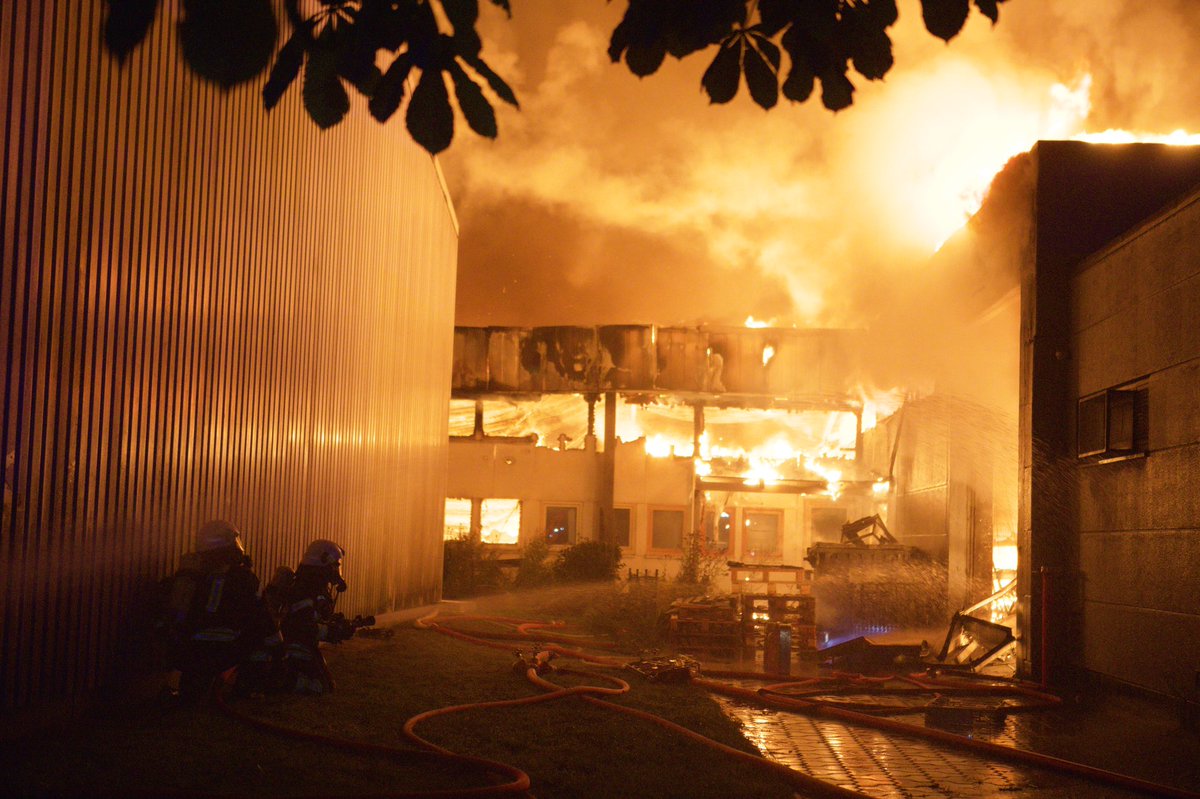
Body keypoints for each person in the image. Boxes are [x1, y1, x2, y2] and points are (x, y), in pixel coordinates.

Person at [162, 520, 280, 700]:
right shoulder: (244, 578)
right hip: (227, 651)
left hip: (191, 653)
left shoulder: (192, 576)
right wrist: (279, 648)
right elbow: (262, 617)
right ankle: (246, 689)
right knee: (261, 648)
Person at [280, 539, 356, 694]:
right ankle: (280, 681)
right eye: (335, 565)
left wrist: (335, 623)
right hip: (295, 646)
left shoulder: (312, 583)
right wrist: (332, 632)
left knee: (326, 686)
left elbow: (313, 618)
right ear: (323, 562)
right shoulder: (309, 587)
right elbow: (302, 625)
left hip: (303, 643)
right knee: (319, 686)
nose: (336, 570)